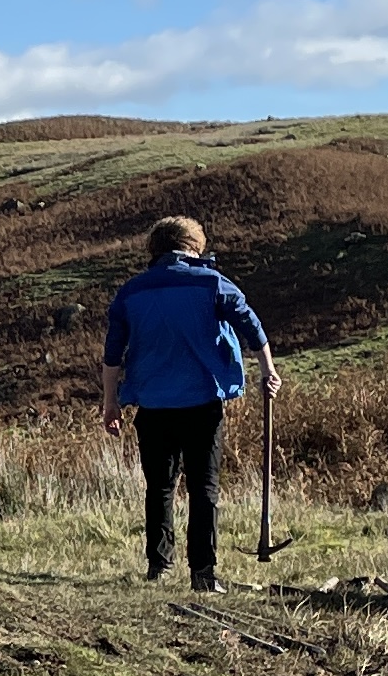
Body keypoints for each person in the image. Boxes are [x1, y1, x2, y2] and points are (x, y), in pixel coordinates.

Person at [100, 216, 279, 592]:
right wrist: (268, 371)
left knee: (160, 487)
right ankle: (203, 573)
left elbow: (113, 353)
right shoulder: (212, 282)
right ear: (193, 245)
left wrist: (110, 403)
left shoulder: (131, 292)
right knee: (203, 488)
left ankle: (158, 566)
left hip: (153, 404)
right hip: (202, 402)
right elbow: (252, 326)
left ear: (155, 249)